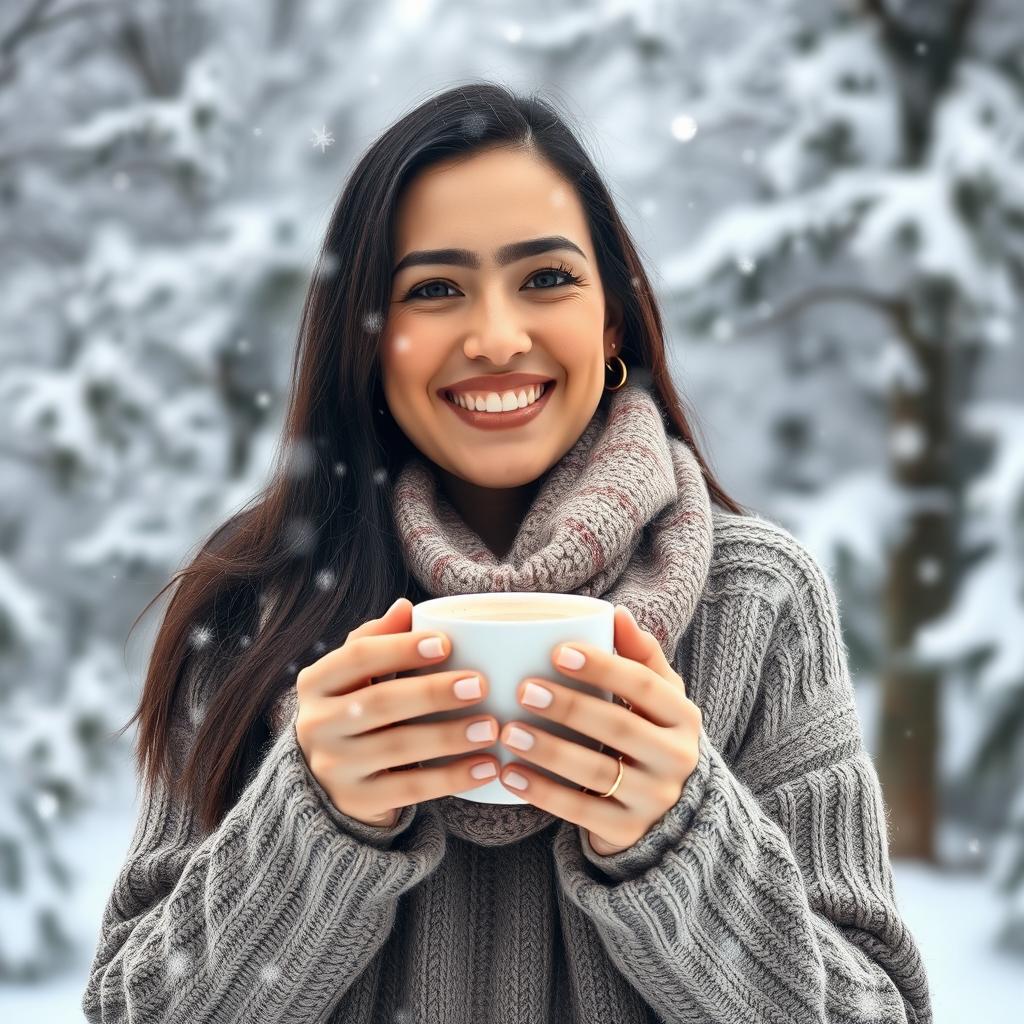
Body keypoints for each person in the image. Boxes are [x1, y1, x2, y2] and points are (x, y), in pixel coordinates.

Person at [82, 82, 933, 1023]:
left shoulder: (756, 600)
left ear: (612, 320)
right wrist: (312, 822)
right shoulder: (258, 604)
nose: (495, 337)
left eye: (547, 279)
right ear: (369, 340)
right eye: (435, 289)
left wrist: (683, 837)